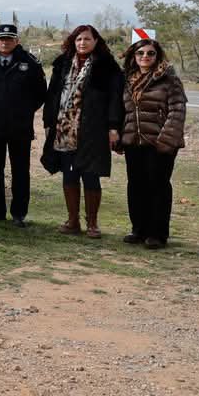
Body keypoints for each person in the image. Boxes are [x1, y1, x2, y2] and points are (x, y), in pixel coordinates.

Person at [41, 24, 123, 239]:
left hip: (94, 130)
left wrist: (114, 127)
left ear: (96, 41)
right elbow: (52, 95)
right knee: (69, 174)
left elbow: (116, 99)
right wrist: (48, 121)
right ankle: (73, 220)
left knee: (91, 175)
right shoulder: (62, 64)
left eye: (87, 39)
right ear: (73, 42)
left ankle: (93, 223)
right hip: (65, 130)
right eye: (78, 39)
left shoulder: (107, 67)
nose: (82, 43)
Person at [117, 38, 187, 249]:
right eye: (141, 53)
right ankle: (139, 229)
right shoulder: (128, 79)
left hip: (160, 143)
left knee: (158, 186)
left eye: (150, 53)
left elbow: (177, 110)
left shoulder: (169, 80)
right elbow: (124, 111)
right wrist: (121, 136)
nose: (145, 57)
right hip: (134, 142)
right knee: (136, 186)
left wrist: (166, 140)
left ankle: (157, 234)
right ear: (134, 56)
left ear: (158, 56)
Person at [0, 24, 47, 227]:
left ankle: (19, 213)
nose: (5, 43)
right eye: (1, 39)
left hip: (20, 127)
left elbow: (41, 93)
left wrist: (25, 110)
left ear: (17, 41)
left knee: (20, 171)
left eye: (9, 39)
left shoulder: (30, 63)